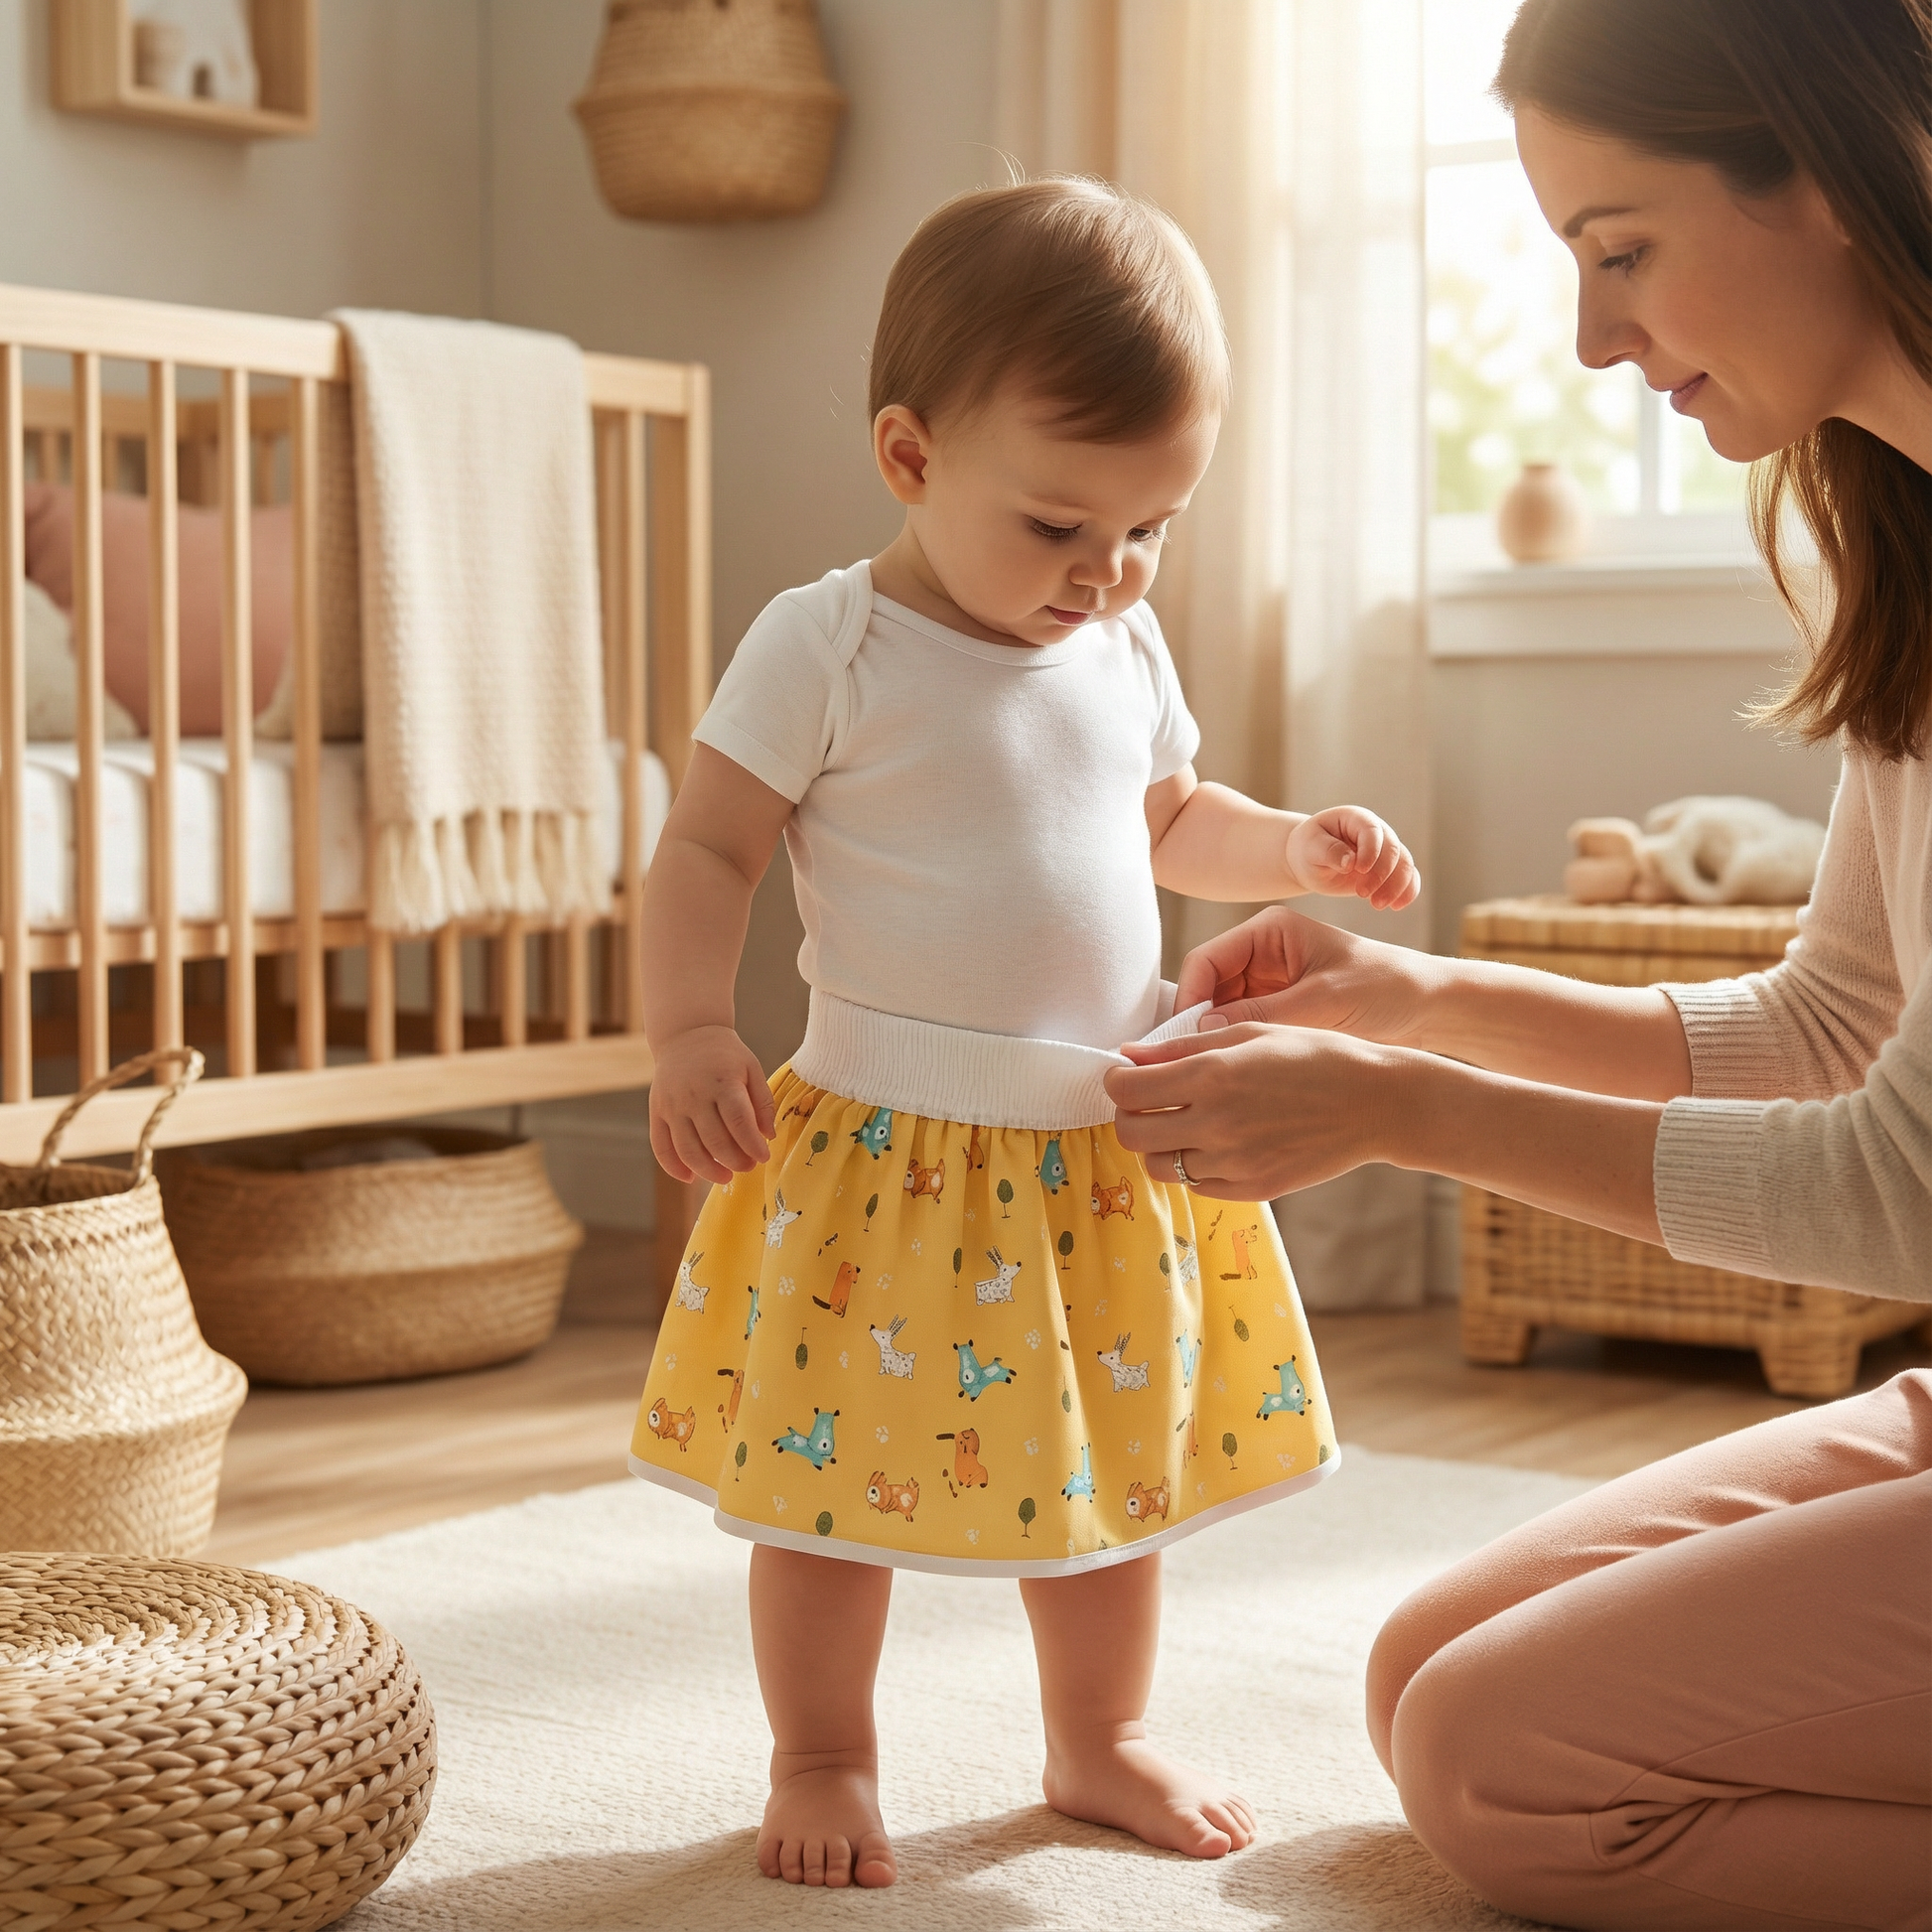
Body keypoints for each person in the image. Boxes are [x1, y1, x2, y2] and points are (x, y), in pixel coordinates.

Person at [1105, 3, 1932, 1926]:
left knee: (1502, 1765)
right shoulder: (1908, 540)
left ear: (1824, 170)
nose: (1591, 340)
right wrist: (1413, 998)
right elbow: (1833, 1022)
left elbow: (1902, 1183)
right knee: (1424, 1676)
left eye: (1618, 251)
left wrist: (1398, 1109)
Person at [627, 178, 1422, 1891]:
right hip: (888, 1146)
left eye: (1150, 526)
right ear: (910, 457)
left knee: (1109, 1466)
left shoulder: (1118, 640)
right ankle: (824, 1747)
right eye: (1062, 524)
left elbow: (1165, 819)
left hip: (1098, 1139)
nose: (1107, 571)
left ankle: (1098, 1735)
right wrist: (689, 1023)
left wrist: (1287, 847)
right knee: (829, 1484)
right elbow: (705, 848)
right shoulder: (826, 639)